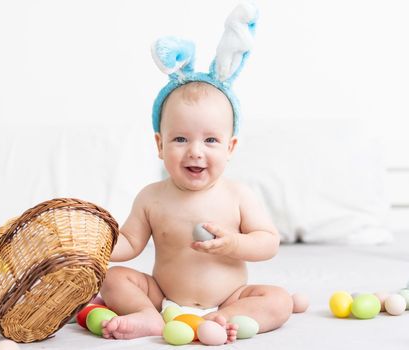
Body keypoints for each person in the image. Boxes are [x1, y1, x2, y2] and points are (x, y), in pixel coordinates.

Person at [99, 2, 293, 342]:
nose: (195, 151)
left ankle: (225, 319)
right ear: (160, 145)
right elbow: (129, 243)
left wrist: (234, 243)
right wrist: (95, 248)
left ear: (230, 148)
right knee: (112, 279)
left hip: (228, 296)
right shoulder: (151, 197)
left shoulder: (237, 195)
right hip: (164, 297)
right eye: (180, 138)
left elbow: (267, 243)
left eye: (211, 140)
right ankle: (147, 316)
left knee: (280, 301)